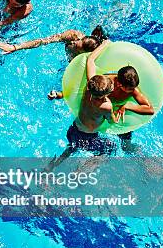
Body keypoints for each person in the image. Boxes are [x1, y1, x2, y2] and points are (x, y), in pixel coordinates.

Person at [47, 41, 117, 170]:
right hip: (88, 137)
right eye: (111, 87)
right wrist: (118, 113)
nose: (113, 85)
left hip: (74, 130)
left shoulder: (88, 88)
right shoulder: (106, 105)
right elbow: (112, 121)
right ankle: (82, 171)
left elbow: (90, 60)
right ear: (104, 94)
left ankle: (51, 167)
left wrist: (104, 44)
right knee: (110, 149)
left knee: (71, 149)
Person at [0, 26, 107, 99]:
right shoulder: (73, 36)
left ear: (84, 53)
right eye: (79, 41)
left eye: (78, 46)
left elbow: (78, 87)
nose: (74, 43)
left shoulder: (85, 61)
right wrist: (15, 47)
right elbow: (42, 41)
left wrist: (58, 95)